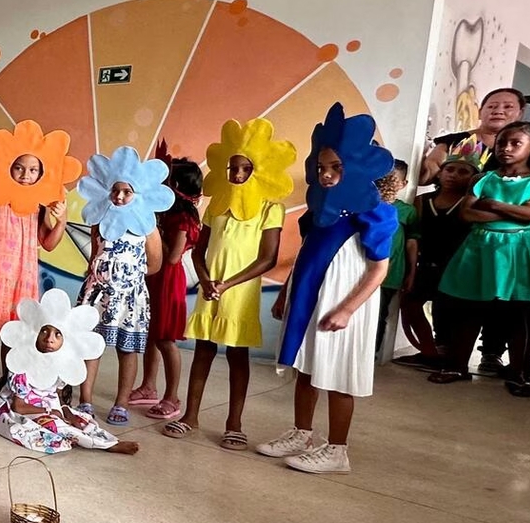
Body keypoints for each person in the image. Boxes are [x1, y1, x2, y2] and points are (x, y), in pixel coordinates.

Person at [258, 104, 397, 474]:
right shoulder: (321, 208)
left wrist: (348, 308)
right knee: (307, 367)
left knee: (338, 374)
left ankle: (337, 450)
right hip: (312, 297)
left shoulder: (374, 211)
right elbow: (307, 253)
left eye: (336, 167)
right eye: (321, 167)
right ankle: (302, 432)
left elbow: (379, 268)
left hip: (343, 301)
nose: (327, 175)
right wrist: (287, 293)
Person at [164, 119, 296, 449]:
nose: (237, 175)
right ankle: (190, 416)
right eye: (232, 169)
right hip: (212, 289)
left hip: (240, 291)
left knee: (238, 354)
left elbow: (267, 258)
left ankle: (234, 423)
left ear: (257, 170)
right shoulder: (217, 205)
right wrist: (207, 281)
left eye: (244, 169)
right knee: (204, 350)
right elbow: (200, 251)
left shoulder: (269, 209)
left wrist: (228, 285)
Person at [430, 121, 530, 396]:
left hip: (520, 250)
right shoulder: (483, 179)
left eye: (516, 143)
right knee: (468, 309)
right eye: (501, 143)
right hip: (480, 247)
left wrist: (496, 204)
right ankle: (457, 365)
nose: (506, 148)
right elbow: (467, 214)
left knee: (519, 314)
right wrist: (519, 211)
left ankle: (519, 371)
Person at [0, 120, 76, 404]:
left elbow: (48, 242)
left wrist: (61, 219)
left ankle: (8, 383)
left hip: (20, 278)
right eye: (19, 167)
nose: (25, 174)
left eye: (33, 169)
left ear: (41, 173)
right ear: (8, 166)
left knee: (15, 335)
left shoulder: (37, 206)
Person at [77, 146, 171, 425]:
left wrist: (128, 281)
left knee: (127, 349)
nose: (119, 196)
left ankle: (121, 402)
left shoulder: (147, 228)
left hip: (130, 298)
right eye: (115, 191)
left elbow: (155, 263)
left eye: (126, 192)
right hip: (97, 293)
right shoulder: (100, 219)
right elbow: (95, 252)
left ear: (137, 195)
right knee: (90, 346)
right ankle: (85, 400)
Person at [0, 288, 138, 456]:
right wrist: (50, 413)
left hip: (45, 408)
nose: (49, 338)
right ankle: (106, 446)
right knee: (53, 425)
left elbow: (56, 398)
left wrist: (66, 413)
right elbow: (19, 406)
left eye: (57, 334)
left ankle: (104, 438)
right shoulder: (23, 363)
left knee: (83, 421)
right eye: (44, 331)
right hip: (22, 410)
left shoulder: (60, 364)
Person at [134, 153, 202, 420]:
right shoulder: (168, 213)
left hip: (168, 280)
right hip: (154, 276)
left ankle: (172, 397)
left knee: (165, 339)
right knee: (152, 334)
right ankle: (148, 386)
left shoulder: (183, 219)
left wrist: (153, 233)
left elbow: (173, 256)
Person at [398, 154, 479, 367]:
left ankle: (451, 356)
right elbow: (414, 235)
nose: (454, 175)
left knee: (451, 313)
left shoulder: (469, 205)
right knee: (411, 305)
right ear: (440, 173)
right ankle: (429, 352)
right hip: (426, 265)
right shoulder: (422, 201)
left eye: (463, 172)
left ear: (474, 177)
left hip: (457, 267)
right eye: (449, 170)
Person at [374, 161, 416, 359]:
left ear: (403, 183)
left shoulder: (407, 212)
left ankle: (370, 355)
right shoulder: (365, 206)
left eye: (393, 180)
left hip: (390, 274)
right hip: (362, 271)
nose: (386, 183)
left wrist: (411, 274)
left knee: (379, 314)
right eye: (382, 178)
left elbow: (411, 244)